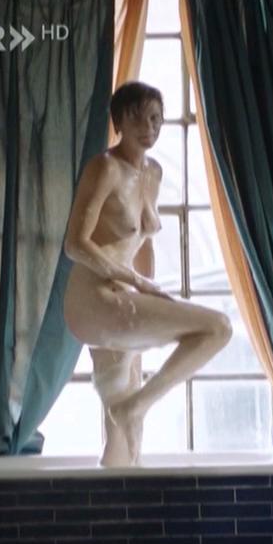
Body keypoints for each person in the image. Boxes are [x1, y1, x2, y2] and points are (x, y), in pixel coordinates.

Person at [62, 82, 231, 467]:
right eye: (137, 117)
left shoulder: (152, 172)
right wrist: (139, 284)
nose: (148, 127)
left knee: (124, 430)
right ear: (118, 122)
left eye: (155, 118)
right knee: (218, 328)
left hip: (124, 297)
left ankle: (120, 473)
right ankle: (134, 407)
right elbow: (74, 244)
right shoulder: (104, 168)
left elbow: (143, 243)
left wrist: (146, 290)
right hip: (93, 298)